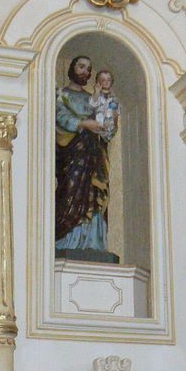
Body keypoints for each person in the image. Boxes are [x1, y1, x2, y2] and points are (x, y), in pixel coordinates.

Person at [55, 54, 116, 256]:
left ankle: (93, 241)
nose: (86, 72)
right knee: (70, 192)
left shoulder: (94, 99)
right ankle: (67, 240)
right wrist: (83, 124)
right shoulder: (61, 95)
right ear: (72, 68)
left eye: (89, 69)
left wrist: (109, 122)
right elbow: (61, 117)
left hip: (93, 154)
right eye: (81, 67)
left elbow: (106, 126)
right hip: (72, 155)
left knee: (94, 193)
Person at [91, 69, 120, 140]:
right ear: (98, 82)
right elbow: (93, 104)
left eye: (109, 80)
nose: (106, 82)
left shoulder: (114, 98)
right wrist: (97, 92)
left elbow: (115, 113)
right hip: (97, 129)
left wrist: (115, 125)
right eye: (103, 80)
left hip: (110, 129)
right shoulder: (97, 96)